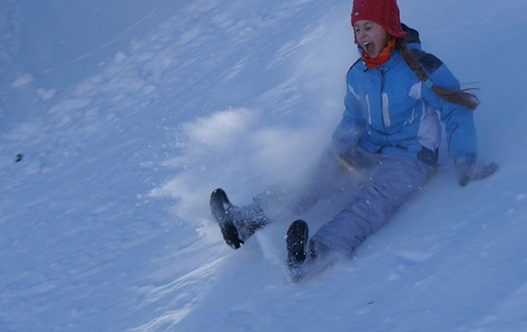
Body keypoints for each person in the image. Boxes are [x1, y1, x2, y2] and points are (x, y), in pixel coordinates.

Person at [210, 0, 498, 281]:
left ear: (389, 27)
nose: (361, 35)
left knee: (371, 202)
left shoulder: (420, 68)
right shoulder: (359, 74)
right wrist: (332, 155)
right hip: (370, 148)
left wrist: (465, 159)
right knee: (315, 177)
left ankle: (316, 254)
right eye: (357, 28)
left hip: (411, 157)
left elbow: (455, 109)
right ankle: (246, 219)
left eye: (369, 26)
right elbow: (353, 120)